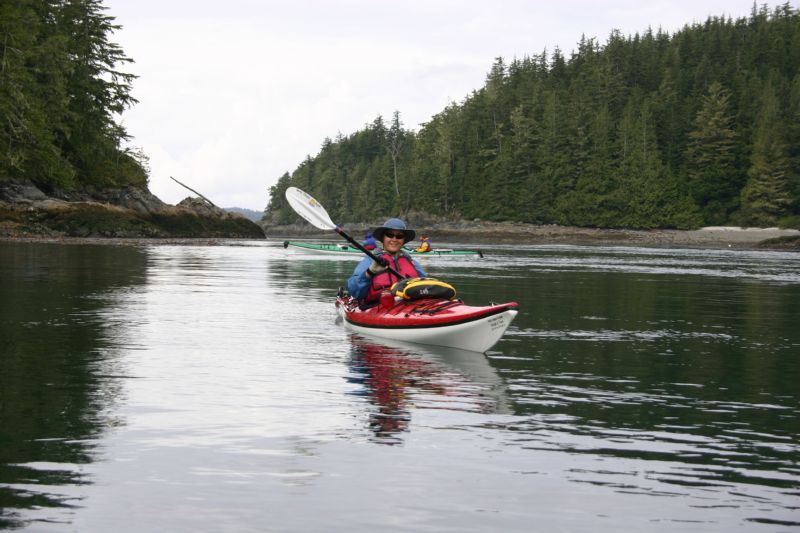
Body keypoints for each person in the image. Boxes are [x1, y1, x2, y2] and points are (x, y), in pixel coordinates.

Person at [347, 218, 427, 304]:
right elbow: (355, 292)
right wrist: (369, 273)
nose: (394, 239)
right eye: (390, 235)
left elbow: (425, 287)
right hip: (378, 308)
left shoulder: (412, 263)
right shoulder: (370, 260)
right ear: (383, 238)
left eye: (399, 236)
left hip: (409, 308)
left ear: (403, 240)